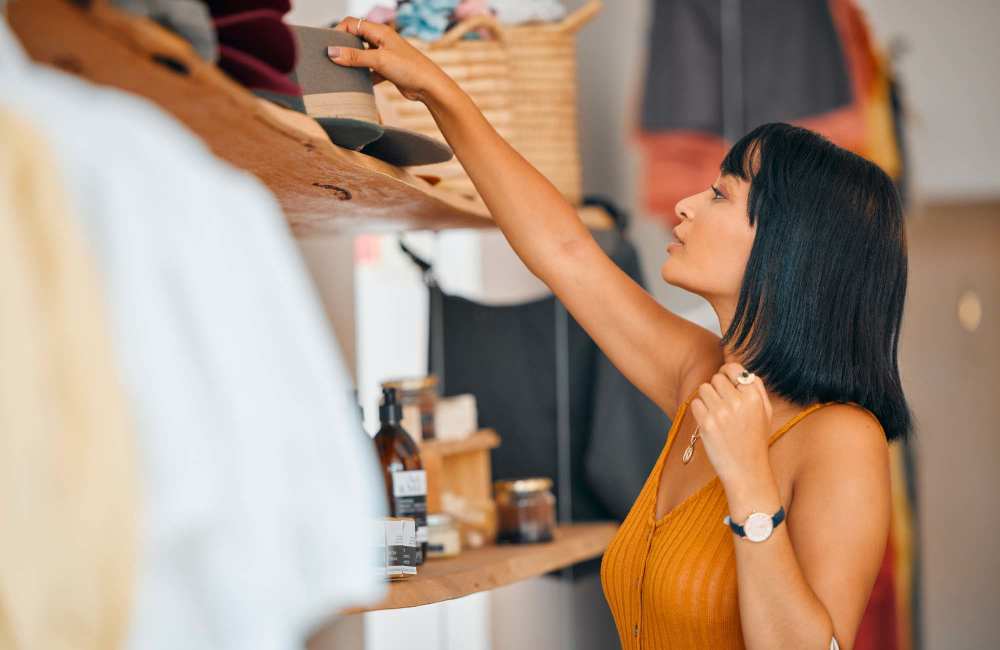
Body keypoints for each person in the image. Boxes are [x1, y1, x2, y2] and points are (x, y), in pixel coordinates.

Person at [329, 17, 910, 650]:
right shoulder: (701, 376)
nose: (686, 203)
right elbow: (566, 252)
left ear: (787, 250)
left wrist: (749, 486)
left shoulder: (842, 438)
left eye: (719, 194)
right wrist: (437, 90)